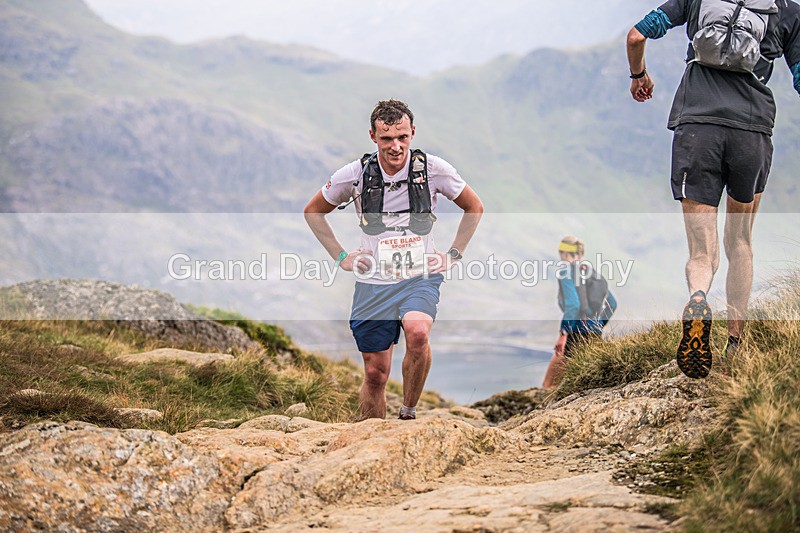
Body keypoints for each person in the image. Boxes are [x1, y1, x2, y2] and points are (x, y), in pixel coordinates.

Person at [626, 0, 800, 378]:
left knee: (701, 253)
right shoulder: (787, 12)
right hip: (752, 133)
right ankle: (735, 344)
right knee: (740, 243)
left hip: (697, 129)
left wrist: (638, 75)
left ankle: (698, 300)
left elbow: (636, 35)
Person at [304, 99, 484, 420]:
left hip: (419, 276)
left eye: (402, 137)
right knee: (376, 374)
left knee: (417, 332)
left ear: (412, 132)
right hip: (373, 282)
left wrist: (453, 254)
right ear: (373, 136)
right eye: (387, 139)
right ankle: (371, 435)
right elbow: (313, 211)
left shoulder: (433, 169)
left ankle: (408, 413)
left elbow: (474, 207)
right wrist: (342, 256)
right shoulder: (355, 174)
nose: (396, 146)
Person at [542, 236, 617, 389]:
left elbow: (573, 305)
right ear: (580, 254)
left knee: (568, 385)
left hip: (576, 334)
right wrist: (597, 325)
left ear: (563, 253)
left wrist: (563, 334)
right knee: (588, 381)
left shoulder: (566, 273)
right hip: (594, 333)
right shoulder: (592, 274)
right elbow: (612, 303)